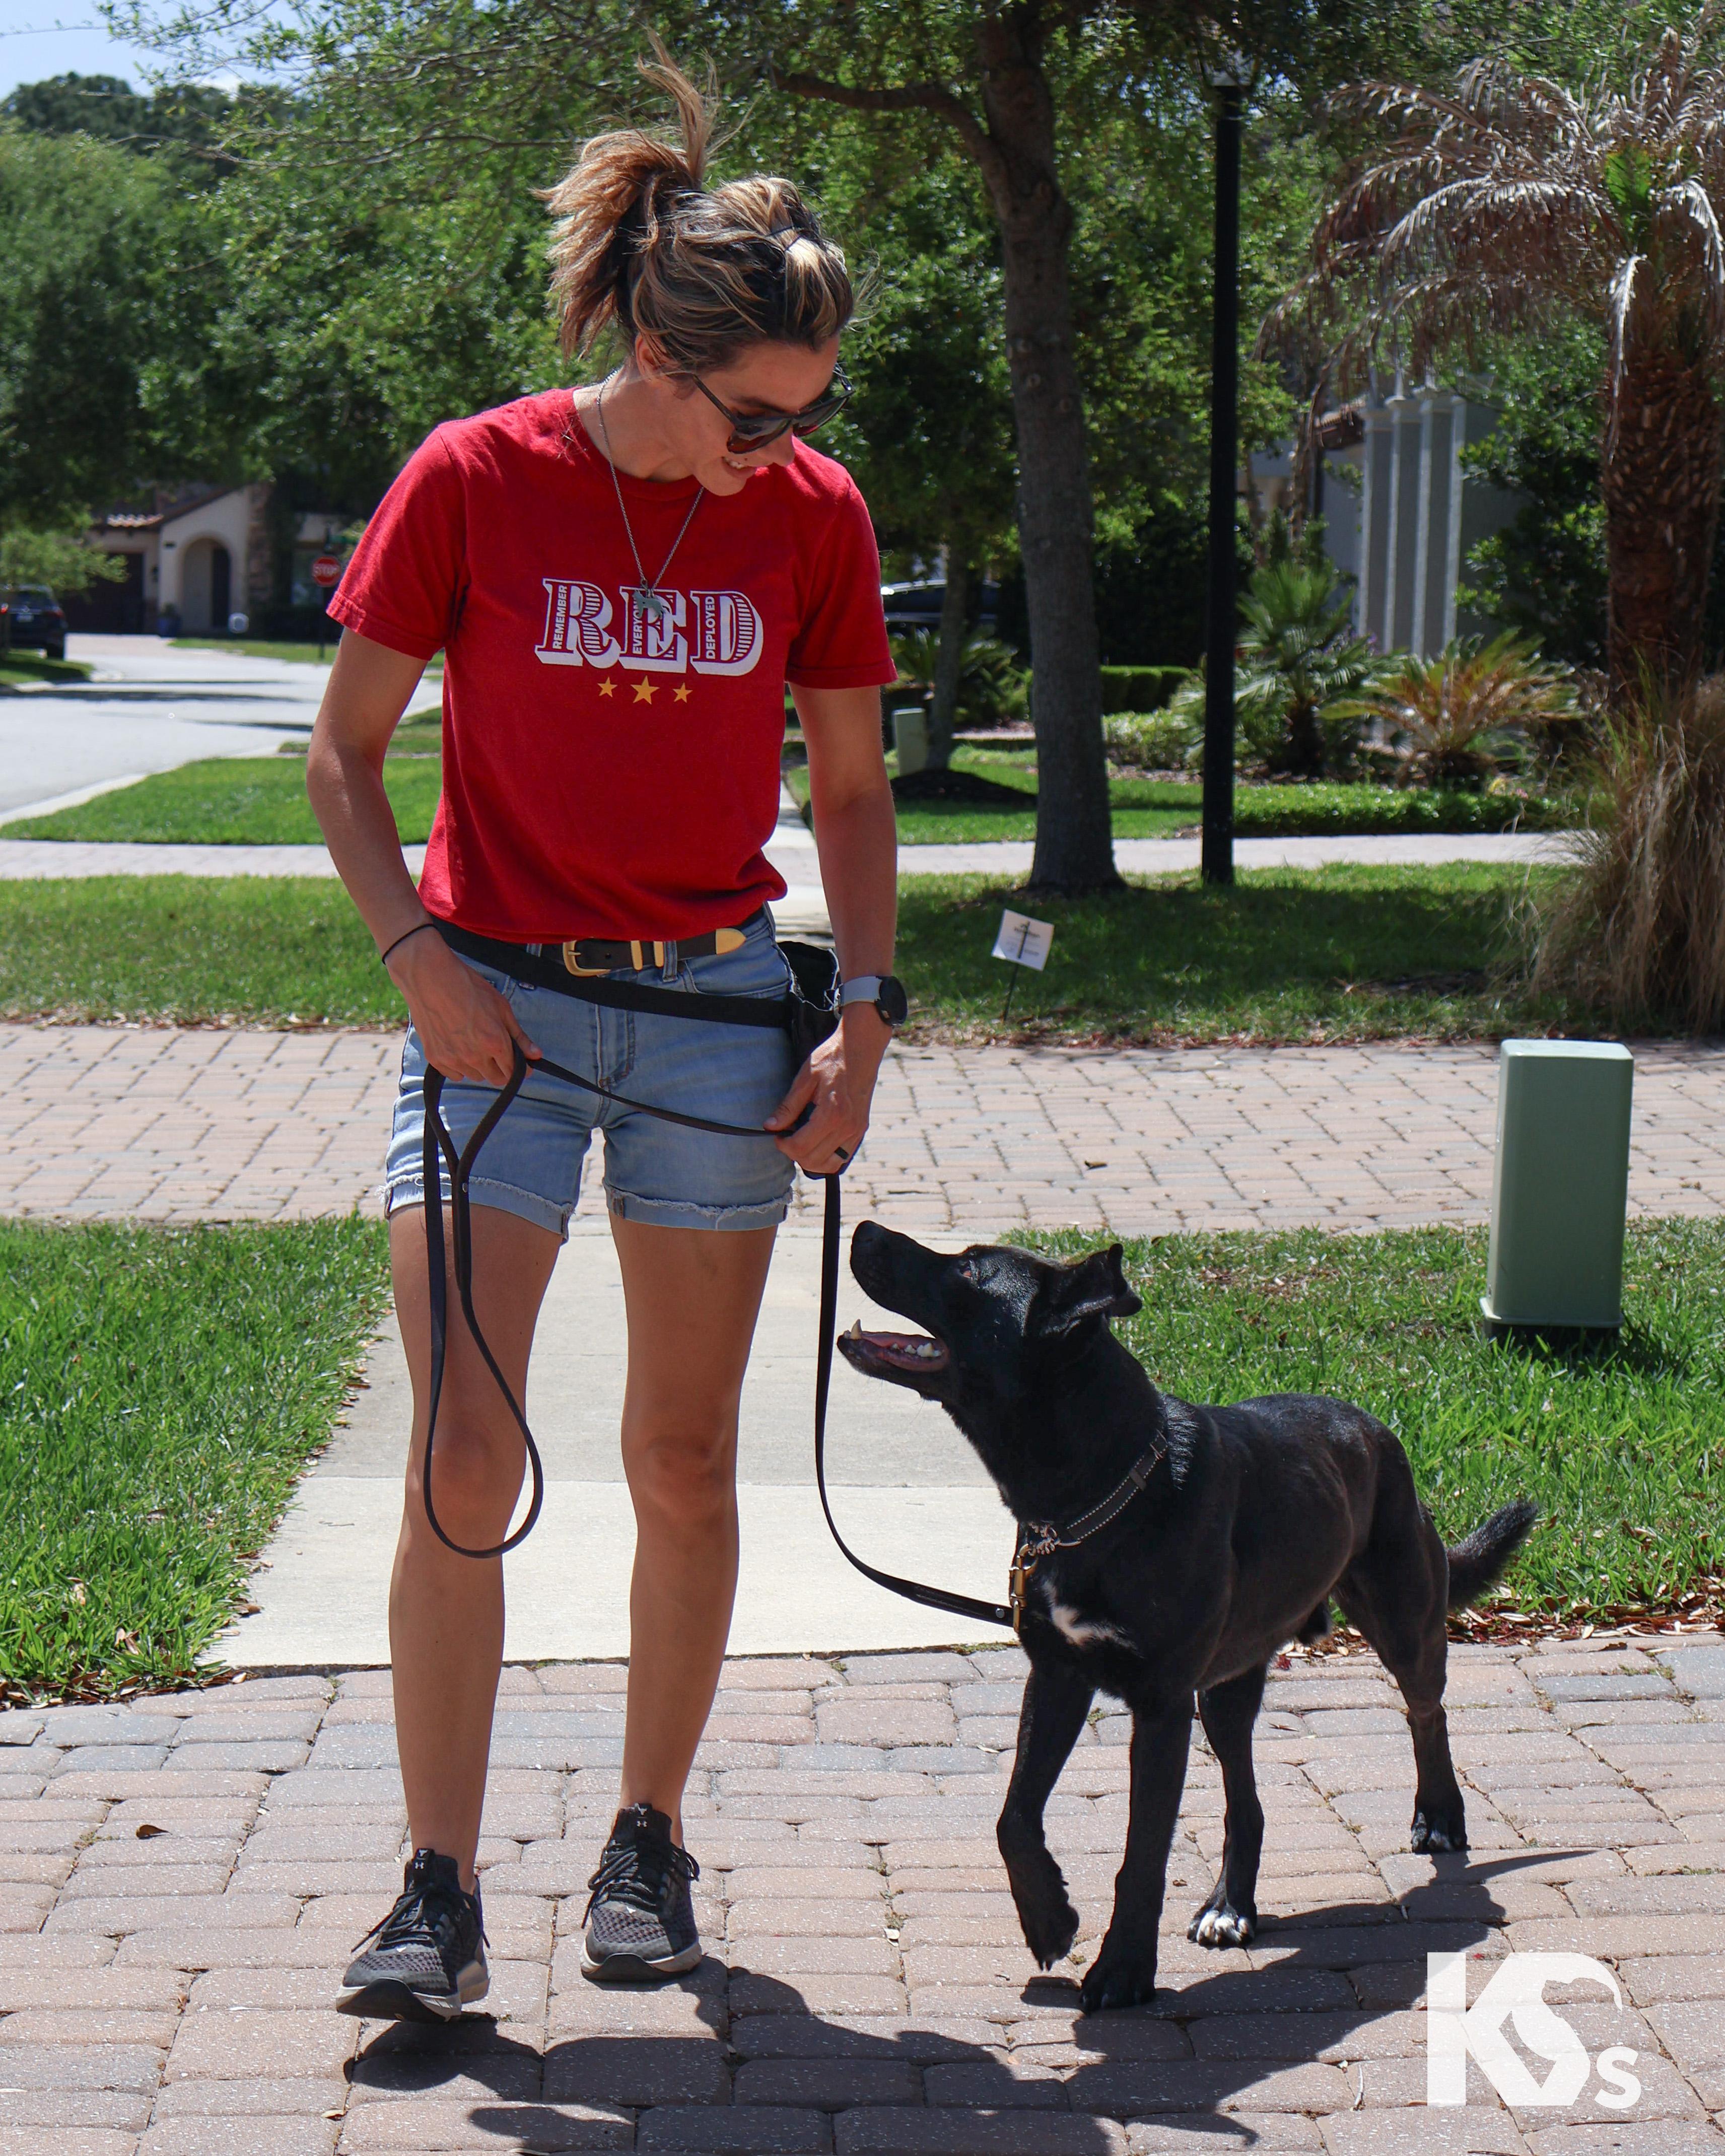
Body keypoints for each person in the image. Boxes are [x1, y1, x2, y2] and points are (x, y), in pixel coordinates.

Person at [306, 49, 902, 2022]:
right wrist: (414, 955)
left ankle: (647, 1837)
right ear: (657, 339)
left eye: (804, 421)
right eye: (754, 415)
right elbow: (343, 751)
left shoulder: (804, 518)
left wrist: (869, 1015)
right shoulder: (473, 481)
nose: (780, 456)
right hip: (493, 1022)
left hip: (723, 1029)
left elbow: (848, 796)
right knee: (463, 1453)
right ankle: (433, 1885)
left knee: (682, 1460)